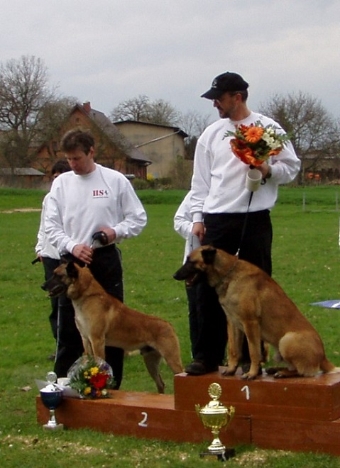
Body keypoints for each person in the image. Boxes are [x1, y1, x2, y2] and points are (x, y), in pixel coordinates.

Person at [185, 71, 301, 376]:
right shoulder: (211, 134)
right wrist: (197, 218)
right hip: (217, 220)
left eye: (219, 99)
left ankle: (254, 358)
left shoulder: (269, 129)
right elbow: (199, 183)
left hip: (255, 219)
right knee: (207, 291)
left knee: (256, 293)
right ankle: (207, 356)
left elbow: (291, 167)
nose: (215, 105)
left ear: (238, 97)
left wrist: (266, 169)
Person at [45, 128, 147, 388]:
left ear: (92, 152)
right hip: (71, 263)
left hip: (105, 260)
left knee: (113, 328)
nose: (72, 164)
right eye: (68, 159)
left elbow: (137, 218)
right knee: (69, 328)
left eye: (77, 158)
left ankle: (110, 387)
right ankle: (63, 387)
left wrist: (115, 232)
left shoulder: (114, 180)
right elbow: (51, 226)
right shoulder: (61, 183)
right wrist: (72, 245)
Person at [35, 159, 71, 352]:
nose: (56, 181)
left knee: (71, 302)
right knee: (55, 302)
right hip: (50, 254)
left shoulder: (73, 197)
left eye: (60, 177)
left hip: (67, 254)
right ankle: (60, 346)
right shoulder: (49, 198)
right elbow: (43, 224)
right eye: (54, 177)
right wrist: (40, 247)